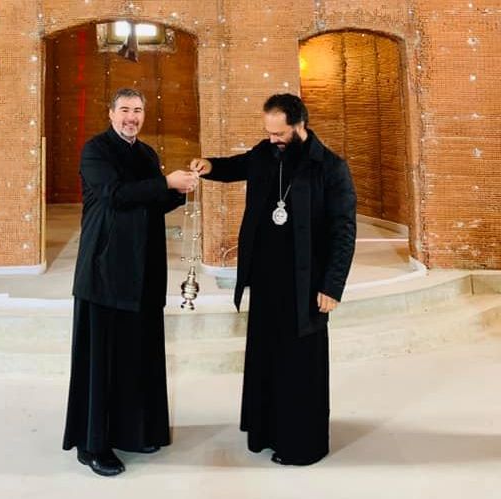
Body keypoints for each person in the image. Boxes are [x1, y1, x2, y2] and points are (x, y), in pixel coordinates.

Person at [189, 93, 356, 465]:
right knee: (267, 359)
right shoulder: (265, 154)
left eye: (279, 134)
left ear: (300, 126)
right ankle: (265, 432)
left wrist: (332, 286)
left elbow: (344, 231)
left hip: (306, 285)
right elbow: (237, 166)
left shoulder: (329, 167)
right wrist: (209, 165)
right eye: (268, 133)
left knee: (300, 365)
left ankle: (300, 444)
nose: (273, 140)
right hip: (265, 282)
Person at [63, 88, 199, 476]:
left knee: (138, 358)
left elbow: (151, 202)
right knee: (102, 363)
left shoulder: (146, 154)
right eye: (124, 110)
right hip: (105, 272)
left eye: (138, 111)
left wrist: (182, 190)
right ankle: (94, 446)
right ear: (110, 114)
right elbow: (114, 195)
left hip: (143, 274)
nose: (131, 117)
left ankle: (136, 432)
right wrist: (166, 184)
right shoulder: (96, 151)